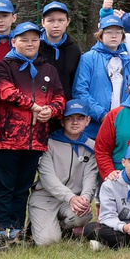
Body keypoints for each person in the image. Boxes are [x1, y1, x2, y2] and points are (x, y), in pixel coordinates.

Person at [28, 105, 102, 246]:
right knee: (48, 242)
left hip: (72, 200)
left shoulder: (92, 146)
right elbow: (48, 178)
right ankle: (38, 223)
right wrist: (71, 197)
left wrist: (85, 199)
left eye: (80, 118)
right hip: (46, 198)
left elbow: (90, 177)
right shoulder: (48, 143)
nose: (75, 123)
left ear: (87, 121)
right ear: (62, 122)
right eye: (70, 119)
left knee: (82, 215)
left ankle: (62, 227)